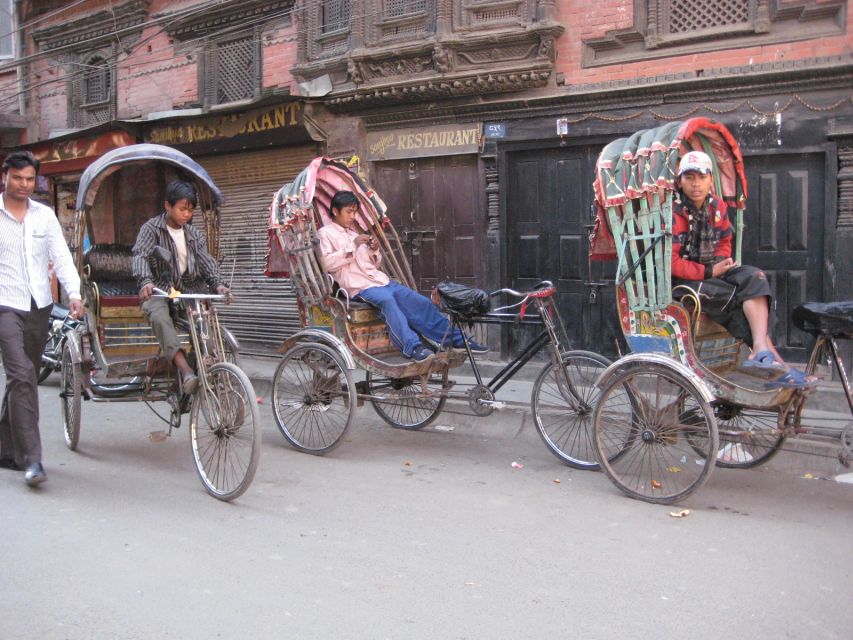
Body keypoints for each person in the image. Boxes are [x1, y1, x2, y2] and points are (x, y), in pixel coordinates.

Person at [671, 150, 813, 388]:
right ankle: (778, 368)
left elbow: (725, 240)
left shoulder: (716, 206)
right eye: (689, 177)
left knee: (754, 277)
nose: (696, 183)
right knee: (734, 299)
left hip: (712, 270)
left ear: (710, 180)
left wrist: (721, 262)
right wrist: (710, 272)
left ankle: (759, 349)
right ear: (680, 181)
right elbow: (671, 263)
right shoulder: (674, 212)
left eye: (702, 176)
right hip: (685, 281)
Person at [317, 190, 487, 363]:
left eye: (354, 212)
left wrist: (373, 249)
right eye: (348, 212)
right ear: (336, 211)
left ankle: (458, 340)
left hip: (380, 281)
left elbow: (373, 265)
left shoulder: (354, 234)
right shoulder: (325, 234)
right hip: (359, 287)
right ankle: (413, 347)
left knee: (419, 302)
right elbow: (327, 264)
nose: (353, 216)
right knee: (387, 301)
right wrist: (353, 247)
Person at [0, 151, 83, 486]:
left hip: (39, 307)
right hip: (4, 305)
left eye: (30, 179)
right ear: (4, 176)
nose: (23, 185)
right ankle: (32, 460)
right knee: (20, 375)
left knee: (26, 377)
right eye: (17, 178)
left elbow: (60, 257)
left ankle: (5, 449)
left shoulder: (45, 216)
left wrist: (74, 293)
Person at [132, 180, 231, 394]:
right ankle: (185, 371)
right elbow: (140, 256)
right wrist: (145, 281)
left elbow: (206, 261)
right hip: (160, 290)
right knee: (159, 318)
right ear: (168, 206)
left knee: (205, 326)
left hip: (187, 291)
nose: (186, 214)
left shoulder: (194, 234)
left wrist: (219, 285)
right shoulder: (151, 229)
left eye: (190, 210)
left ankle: (209, 370)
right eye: (182, 209)